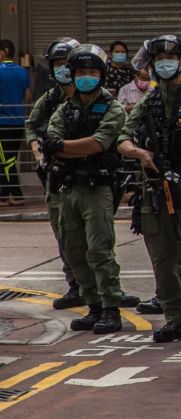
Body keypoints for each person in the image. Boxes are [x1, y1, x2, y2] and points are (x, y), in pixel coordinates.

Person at [116, 35, 181, 344]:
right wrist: (141, 154)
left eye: (170, 57)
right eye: (158, 58)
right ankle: (175, 319)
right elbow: (123, 138)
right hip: (154, 185)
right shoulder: (149, 101)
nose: (163, 63)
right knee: (162, 255)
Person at [43, 44, 127, 334]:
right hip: (68, 188)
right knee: (73, 249)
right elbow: (48, 141)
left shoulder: (112, 107)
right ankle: (93, 306)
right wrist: (70, 148)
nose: (85, 77)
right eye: (80, 72)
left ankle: (110, 308)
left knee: (100, 250)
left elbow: (99, 142)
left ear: (101, 75)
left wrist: (63, 147)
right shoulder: (64, 109)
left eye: (91, 72)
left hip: (97, 188)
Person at [25, 38, 81, 304]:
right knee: (64, 233)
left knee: (95, 236)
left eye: (66, 64)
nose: (62, 69)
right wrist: (37, 149)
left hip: (86, 176)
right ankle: (75, 285)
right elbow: (31, 125)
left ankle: (103, 288)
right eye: (57, 64)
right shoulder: (48, 99)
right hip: (55, 177)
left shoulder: (93, 97)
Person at [0, 39, 32, 206]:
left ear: (3, 51)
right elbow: (27, 96)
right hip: (18, 122)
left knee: (5, 160)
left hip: (2, 123)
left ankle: (9, 195)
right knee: (10, 159)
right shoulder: (22, 71)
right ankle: (12, 194)